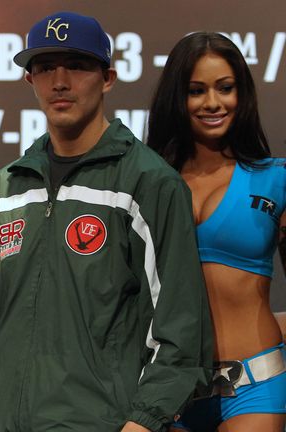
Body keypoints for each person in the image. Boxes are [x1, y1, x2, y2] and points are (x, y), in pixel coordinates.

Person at [0, 12, 213, 432]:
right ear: (29, 79)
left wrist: (144, 421)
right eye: (44, 67)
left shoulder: (148, 182)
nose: (59, 81)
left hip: (97, 422)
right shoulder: (1, 191)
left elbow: (181, 330)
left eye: (76, 65)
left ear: (107, 78)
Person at [147, 32, 286, 432]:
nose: (212, 103)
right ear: (177, 97)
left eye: (225, 88)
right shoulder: (148, 182)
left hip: (257, 384)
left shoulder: (276, 179)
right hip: (167, 393)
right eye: (196, 91)